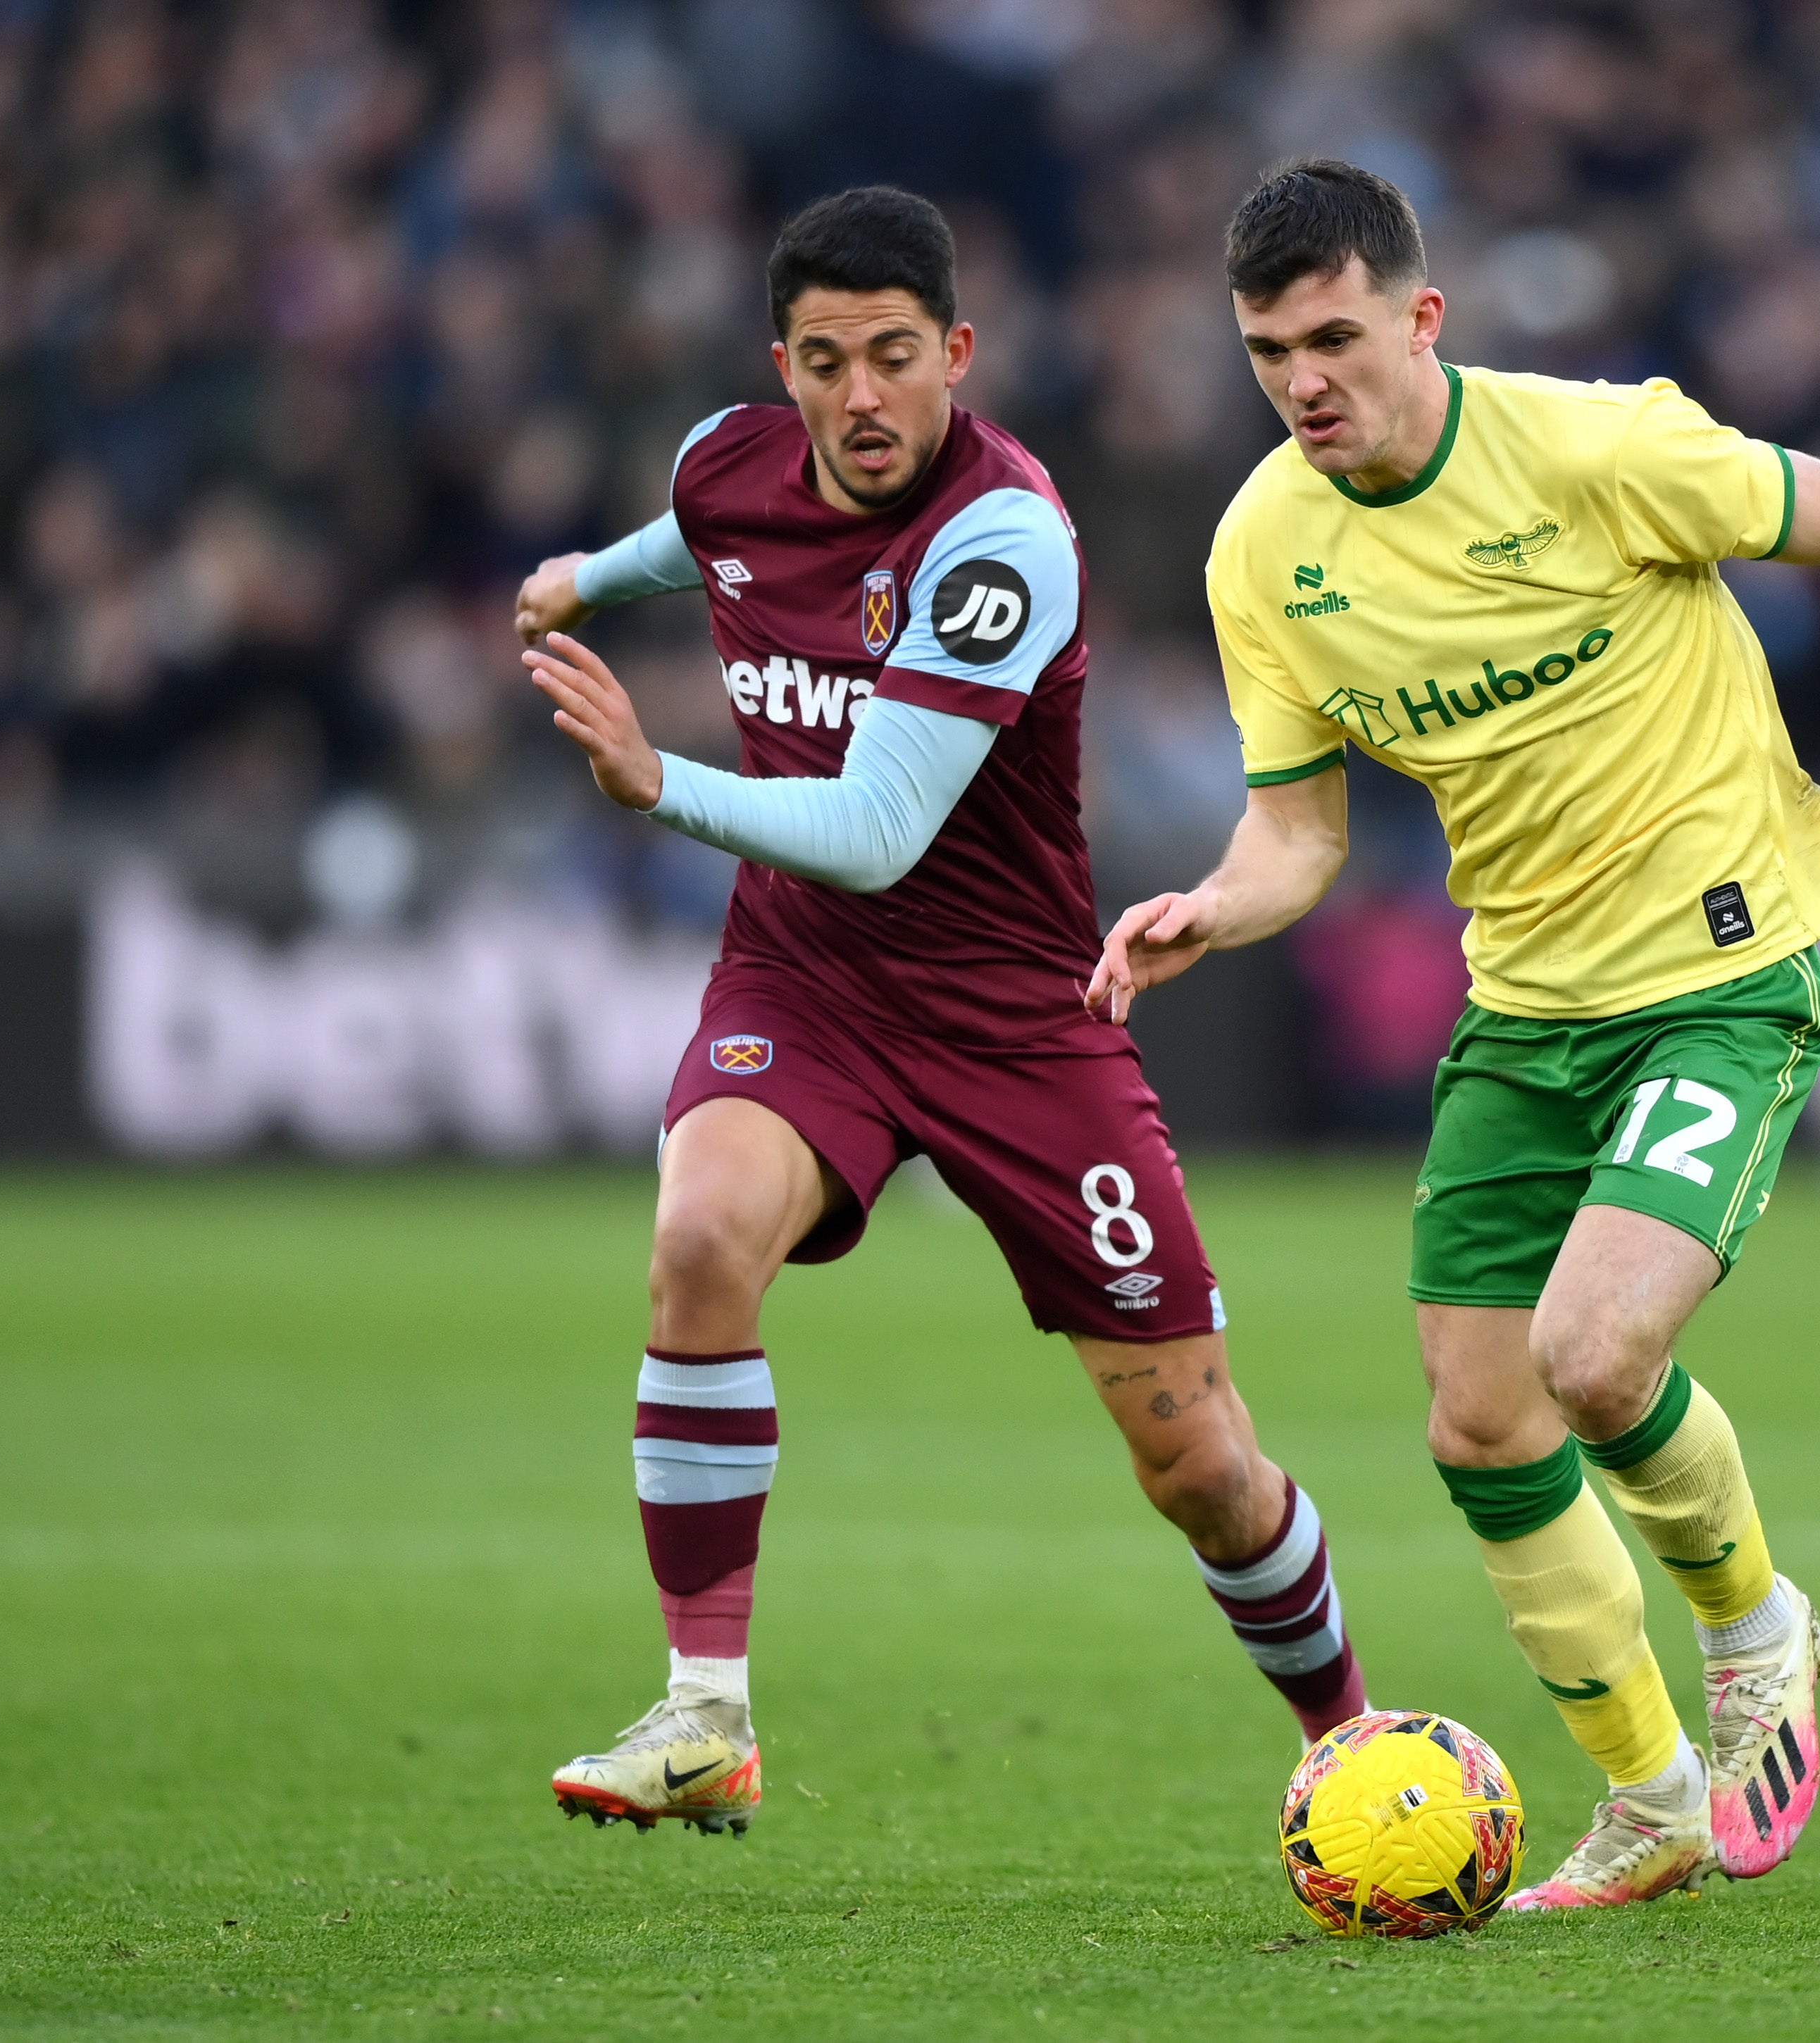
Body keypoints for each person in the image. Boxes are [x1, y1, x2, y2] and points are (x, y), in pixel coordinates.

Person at [1087, 159, 1820, 1910]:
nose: (1304, 381)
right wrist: (1216, 902)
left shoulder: (1593, 449)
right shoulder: (1264, 550)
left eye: (1336, 337)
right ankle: (1651, 1794)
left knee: (1593, 1356)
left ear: (1423, 318)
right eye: (1270, 350)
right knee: (1482, 1422)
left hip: (1723, 971)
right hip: (1527, 1006)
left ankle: (1758, 1625)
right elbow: (1300, 831)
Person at [509, 186, 1369, 1836]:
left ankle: (1348, 1729)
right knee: (699, 1242)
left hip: (1012, 1018)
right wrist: (577, 580)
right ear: (783, 368)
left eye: (894, 357)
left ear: (956, 354)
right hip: (808, 980)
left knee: (1197, 1460)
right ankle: (706, 1711)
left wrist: (653, 779)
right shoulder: (721, 460)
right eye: (824, 362)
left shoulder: (1005, 538)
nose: (860, 397)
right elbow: (692, 537)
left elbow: (880, 827)